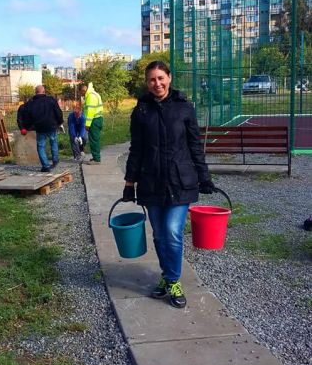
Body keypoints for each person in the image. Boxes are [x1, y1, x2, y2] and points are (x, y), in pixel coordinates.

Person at [122, 61, 215, 308]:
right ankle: (167, 277)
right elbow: (136, 149)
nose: (157, 83)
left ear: (170, 78)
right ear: (147, 82)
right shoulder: (141, 111)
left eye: (161, 78)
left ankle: (173, 280)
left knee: (173, 231)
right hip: (150, 182)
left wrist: (204, 177)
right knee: (160, 235)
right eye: (152, 79)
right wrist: (129, 183)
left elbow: (195, 145)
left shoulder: (185, 108)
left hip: (180, 181)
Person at [24, 85, 63, 172]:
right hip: (52, 125)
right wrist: (60, 122)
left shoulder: (31, 103)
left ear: (35, 92)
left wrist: (29, 126)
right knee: (53, 142)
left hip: (40, 127)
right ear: (44, 91)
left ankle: (45, 166)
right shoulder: (51, 100)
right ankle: (55, 160)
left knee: (41, 146)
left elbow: (28, 117)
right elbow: (58, 112)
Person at [81, 82, 103, 165]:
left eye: (81, 93)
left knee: (94, 140)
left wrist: (87, 124)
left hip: (94, 120)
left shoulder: (90, 96)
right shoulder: (93, 94)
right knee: (94, 139)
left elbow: (90, 112)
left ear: (83, 90)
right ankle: (95, 157)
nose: (82, 95)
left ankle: (96, 159)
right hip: (97, 119)